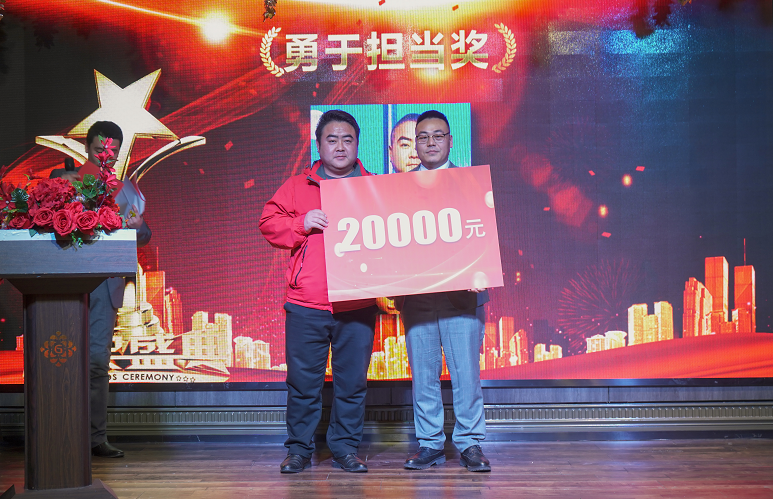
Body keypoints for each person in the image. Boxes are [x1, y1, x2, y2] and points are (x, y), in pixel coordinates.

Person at [259, 110, 378, 474]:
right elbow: (268, 223)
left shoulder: (375, 187)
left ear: (357, 144)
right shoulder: (298, 186)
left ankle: (345, 448)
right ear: (319, 144)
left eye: (348, 139)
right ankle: (299, 450)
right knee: (303, 384)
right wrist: (301, 222)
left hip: (356, 303)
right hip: (306, 303)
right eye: (332, 139)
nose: (340, 146)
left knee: (352, 384)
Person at [50, 121, 152, 458]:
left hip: (105, 285)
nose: (105, 157)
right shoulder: (65, 179)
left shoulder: (124, 190)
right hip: (64, 283)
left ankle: (95, 438)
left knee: (96, 363)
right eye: (99, 150)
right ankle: (59, 435)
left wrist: (139, 226)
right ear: (87, 148)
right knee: (59, 361)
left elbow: (144, 235)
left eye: (113, 152)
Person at [396, 110, 491, 472]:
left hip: (462, 296)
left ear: (451, 141)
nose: (430, 142)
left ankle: (470, 443)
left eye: (438, 135)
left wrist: (482, 270)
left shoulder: (471, 183)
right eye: (423, 137)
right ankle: (430, 444)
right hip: (417, 297)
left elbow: (485, 234)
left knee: (466, 375)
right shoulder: (396, 189)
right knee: (423, 376)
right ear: (415, 145)